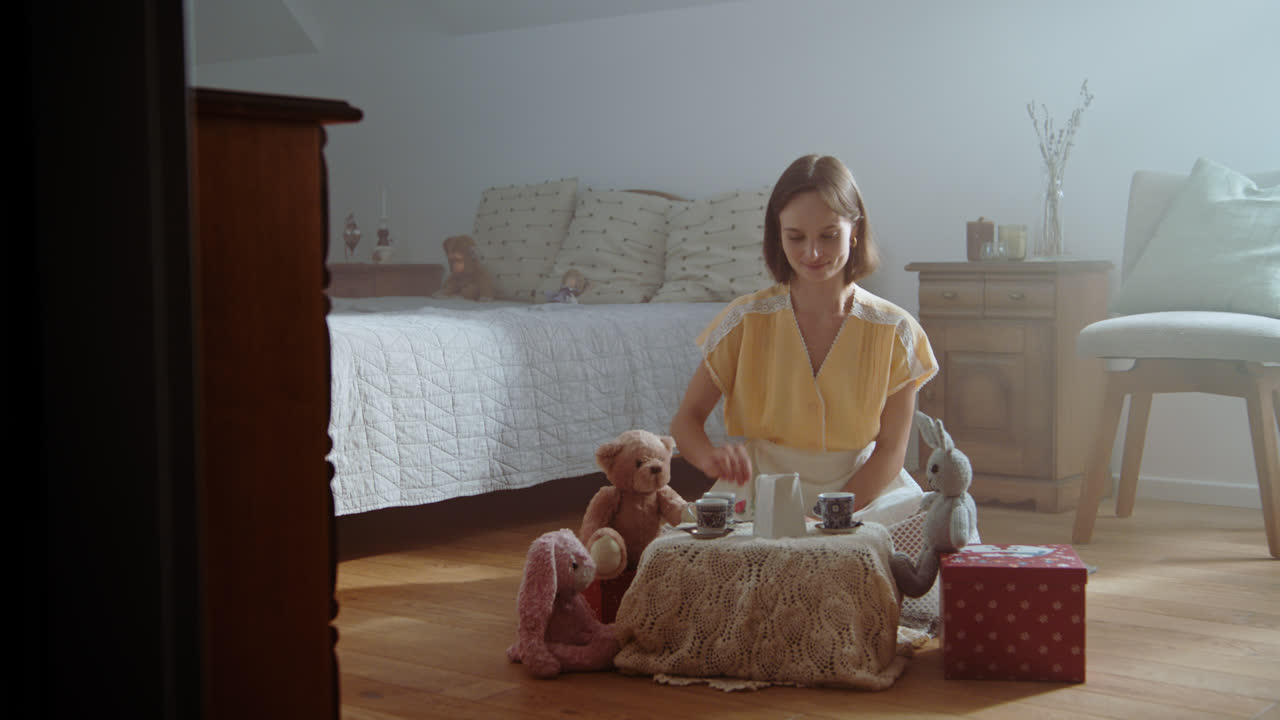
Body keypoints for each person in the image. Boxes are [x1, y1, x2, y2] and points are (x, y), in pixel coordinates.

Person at [670, 154, 938, 526]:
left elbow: (891, 451)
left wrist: (826, 517)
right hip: (761, 489)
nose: (812, 252)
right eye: (795, 237)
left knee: (929, 529)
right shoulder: (743, 321)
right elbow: (687, 420)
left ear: (855, 229)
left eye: (829, 236)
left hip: (865, 492)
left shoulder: (896, 331)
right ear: (777, 235)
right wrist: (707, 458)